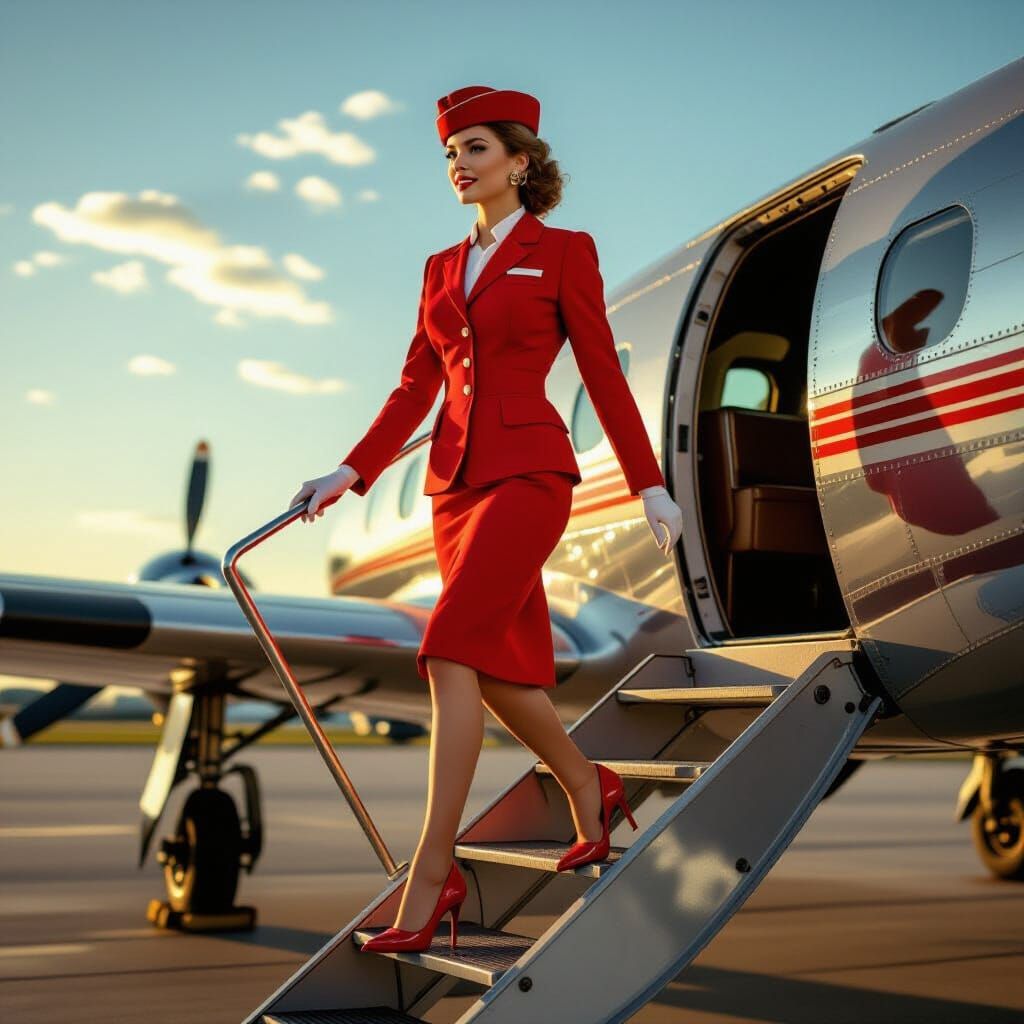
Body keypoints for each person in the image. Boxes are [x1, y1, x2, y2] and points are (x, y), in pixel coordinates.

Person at [289, 84, 683, 954]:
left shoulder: (564, 251)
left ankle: (432, 875)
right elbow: (413, 387)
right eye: (448, 154)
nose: (457, 167)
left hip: (530, 474)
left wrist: (651, 484)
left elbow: (603, 376)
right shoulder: (439, 268)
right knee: (498, 672)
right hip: (453, 488)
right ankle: (590, 783)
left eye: (472, 149)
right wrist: (350, 470)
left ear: (520, 160)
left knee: (445, 651)